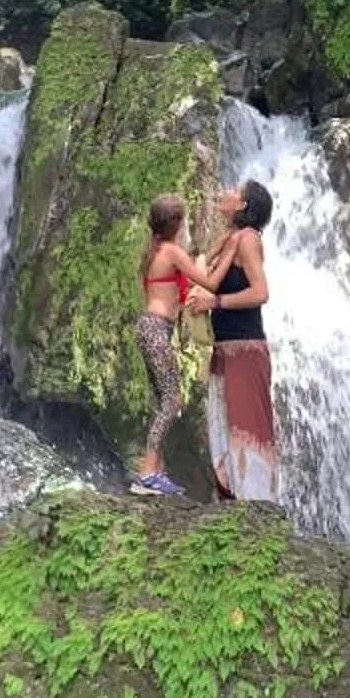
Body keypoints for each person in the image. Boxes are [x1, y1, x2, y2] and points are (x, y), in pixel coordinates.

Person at [202, 178, 279, 503]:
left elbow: (261, 292)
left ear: (244, 205)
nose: (226, 191)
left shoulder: (248, 239)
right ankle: (236, 510)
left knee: (246, 431)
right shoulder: (233, 239)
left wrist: (217, 303)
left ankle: (257, 513)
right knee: (224, 431)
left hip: (244, 351)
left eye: (235, 190)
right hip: (226, 351)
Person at [131, 195, 214, 496]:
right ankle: (147, 474)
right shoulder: (172, 252)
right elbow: (205, 280)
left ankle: (156, 472)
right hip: (156, 329)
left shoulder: (153, 252)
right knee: (172, 399)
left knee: (160, 400)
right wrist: (217, 254)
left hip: (149, 328)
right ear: (176, 224)